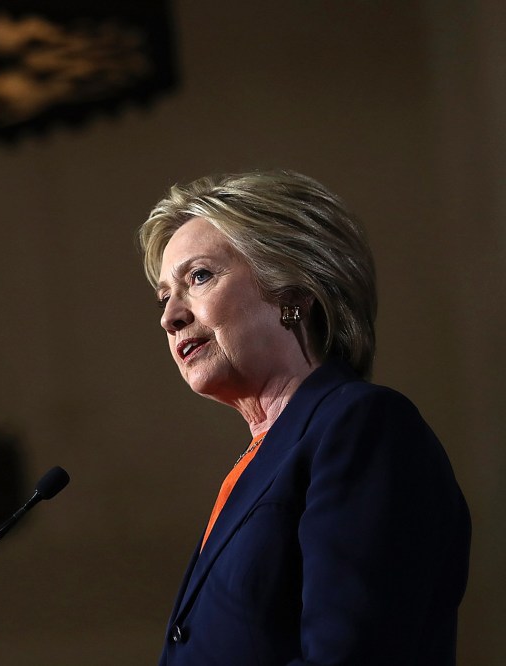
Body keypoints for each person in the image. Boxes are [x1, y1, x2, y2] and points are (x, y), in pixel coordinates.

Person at [137, 170, 470, 665]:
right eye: (166, 295)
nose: (170, 317)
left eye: (199, 277)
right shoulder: (255, 465)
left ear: (293, 292)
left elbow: (351, 654)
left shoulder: (361, 427)